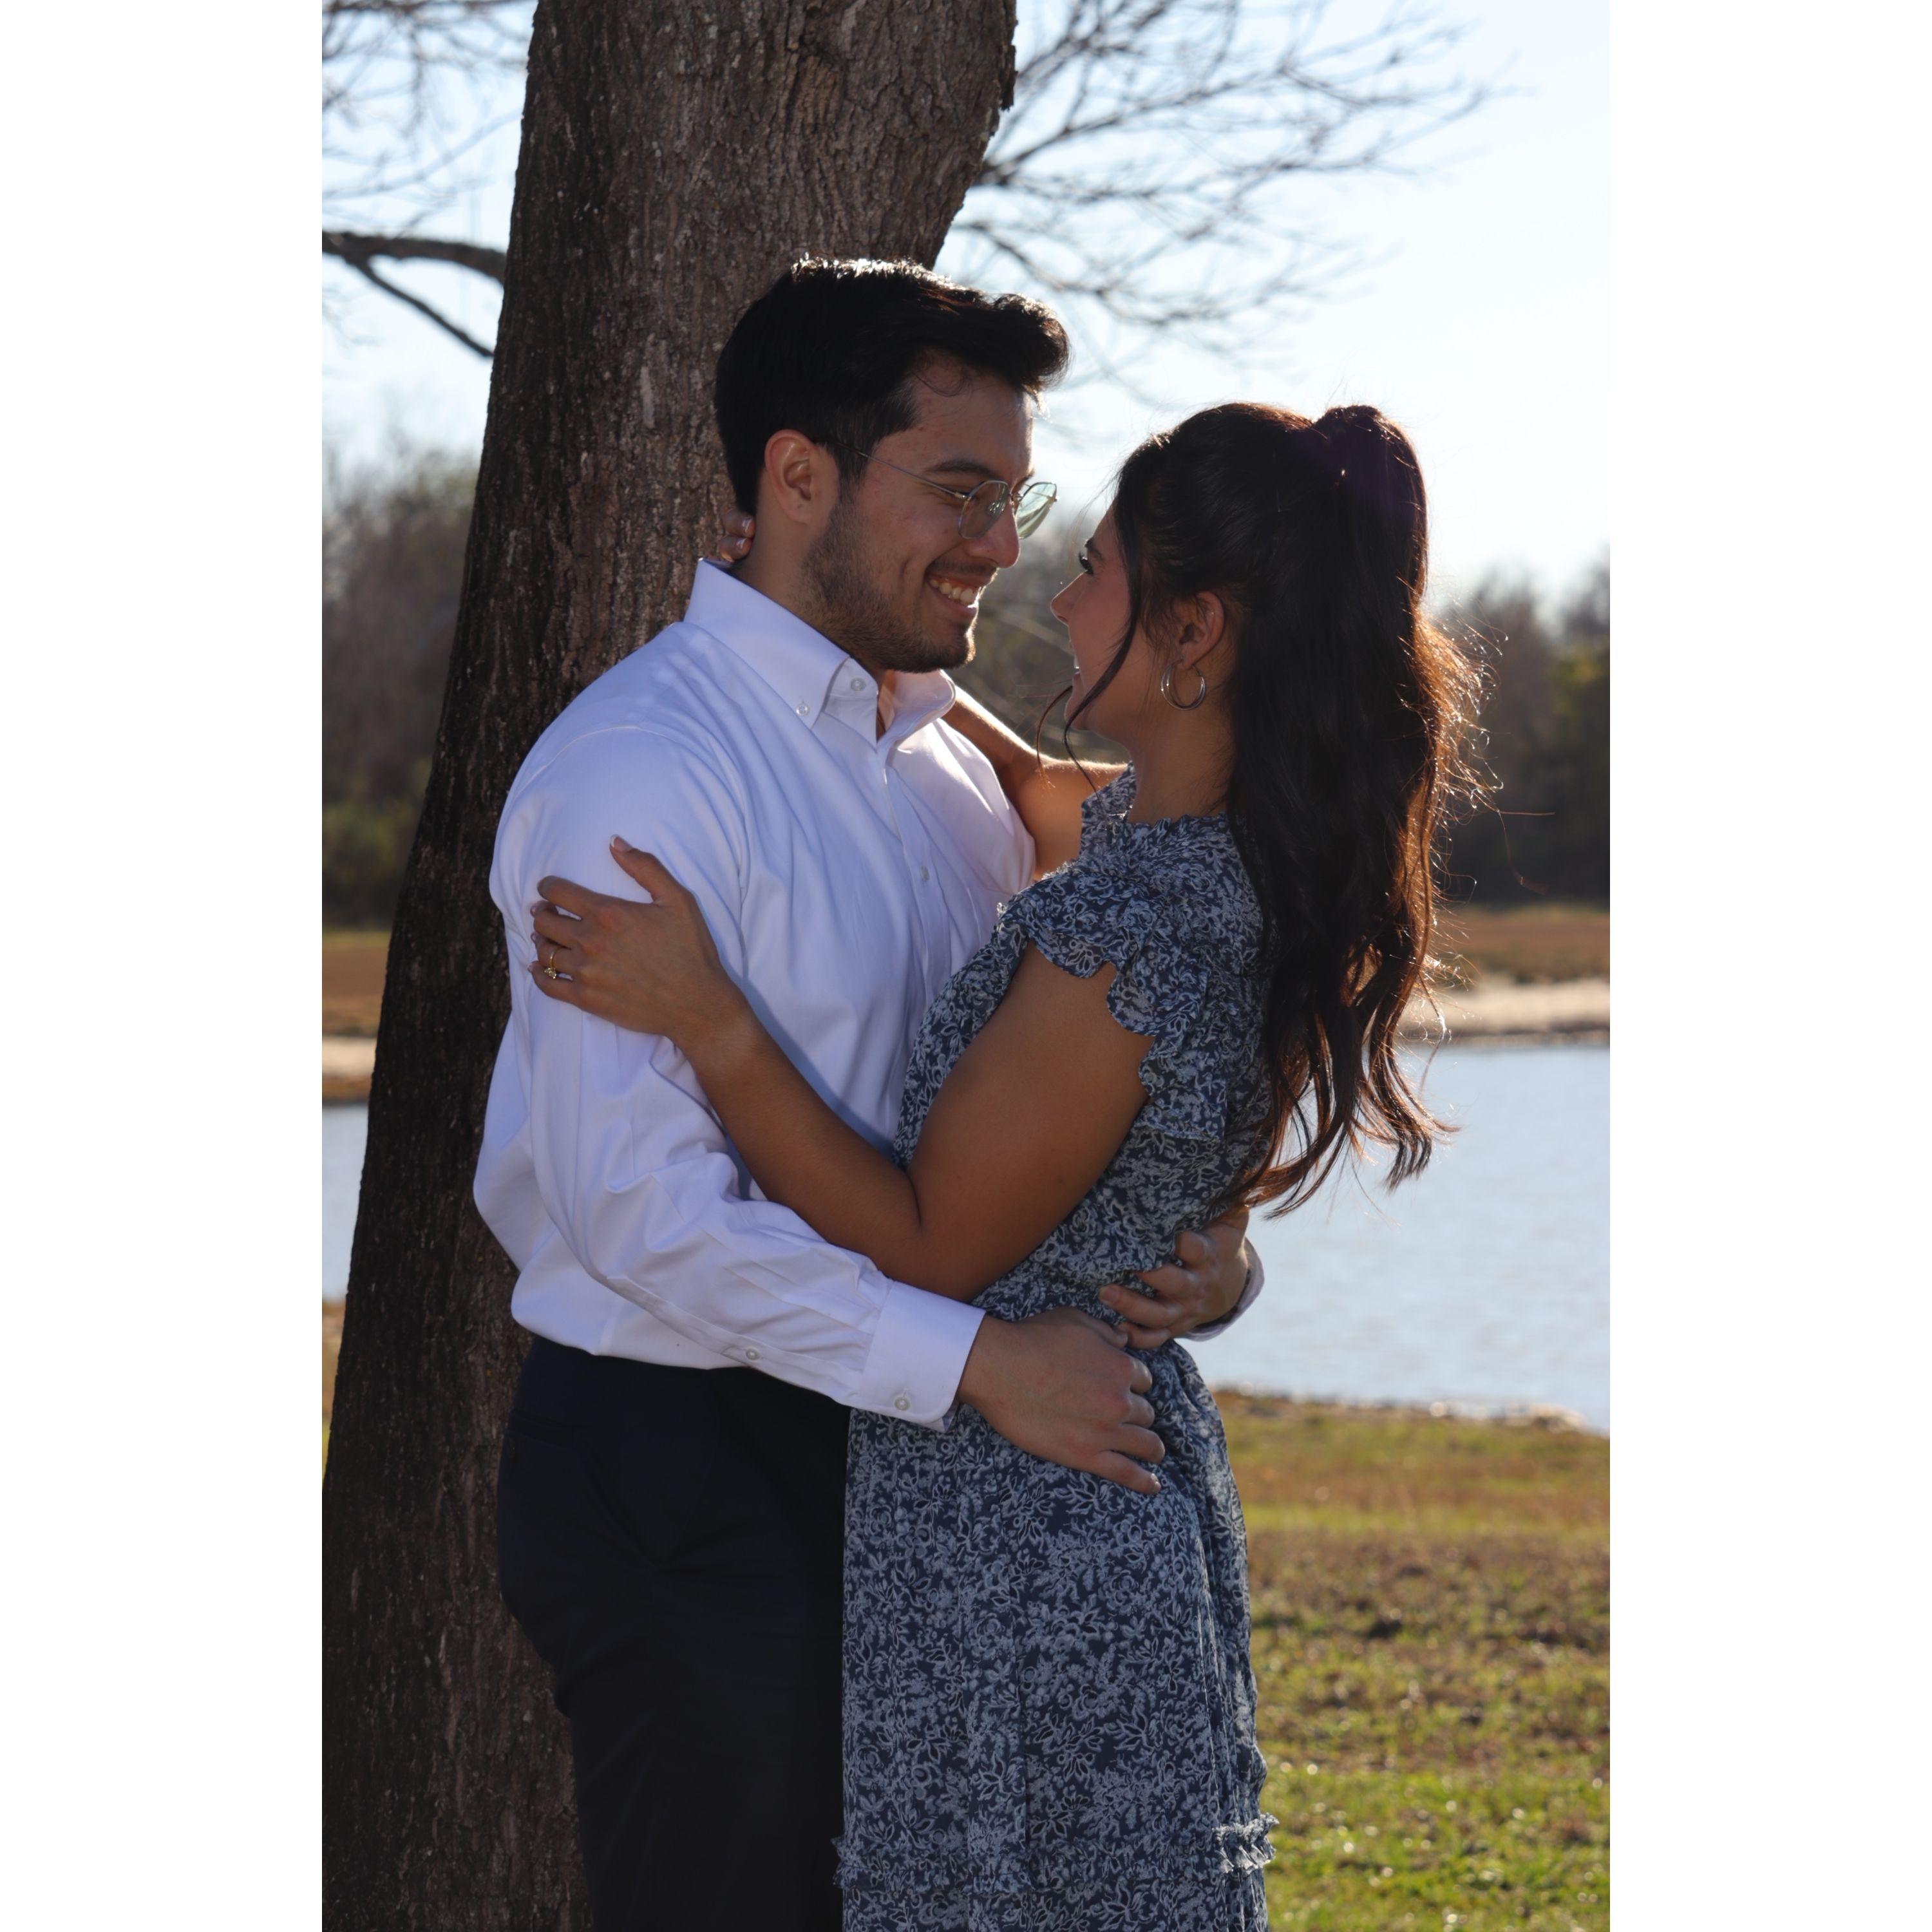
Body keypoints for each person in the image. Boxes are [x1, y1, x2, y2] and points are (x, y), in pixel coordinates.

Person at [527, 398, 1477, 1928]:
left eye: (1093, 567)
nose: (1055, 593)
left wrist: (712, 1020)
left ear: (1193, 633)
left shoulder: (1120, 936)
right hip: (1105, 1486)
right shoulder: (1239, 854)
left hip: (1025, 1526)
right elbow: (1035, 783)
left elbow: (926, 1243)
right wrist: (785, 608)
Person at [476, 257, 1266, 1932]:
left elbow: (1079, 1076)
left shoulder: (956, 763)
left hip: (915, 1461)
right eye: (959, 493)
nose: (1000, 545)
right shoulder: (642, 772)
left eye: (1015, 500)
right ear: (798, 476)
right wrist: (972, 1362)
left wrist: (1206, 1254)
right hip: (692, 1465)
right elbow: (638, 1218)